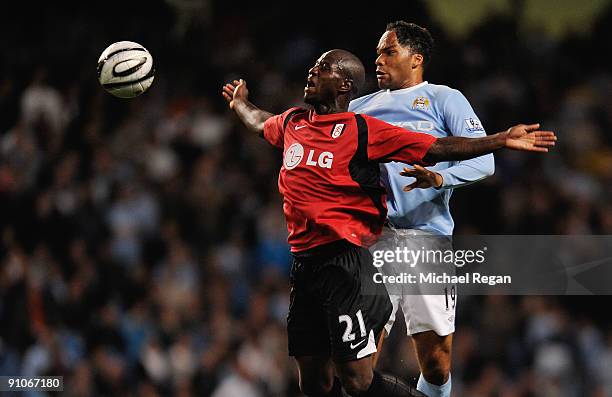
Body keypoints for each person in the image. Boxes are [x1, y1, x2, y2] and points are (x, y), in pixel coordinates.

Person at [221, 49, 555, 397]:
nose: (311, 71)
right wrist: (239, 102)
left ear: (344, 83)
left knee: (378, 374)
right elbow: (260, 121)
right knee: (315, 383)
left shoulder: (366, 128)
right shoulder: (294, 122)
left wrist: (499, 139)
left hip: (351, 259)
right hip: (306, 265)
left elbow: (439, 147)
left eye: (322, 68)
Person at [348, 21, 496, 397]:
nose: (377, 60)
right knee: (361, 360)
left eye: (388, 51)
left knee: (436, 363)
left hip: (427, 238)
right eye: (378, 52)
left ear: (416, 60)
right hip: (374, 240)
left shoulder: (445, 99)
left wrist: (440, 179)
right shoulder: (357, 108)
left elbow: (484, 161)